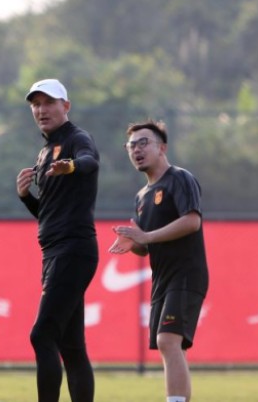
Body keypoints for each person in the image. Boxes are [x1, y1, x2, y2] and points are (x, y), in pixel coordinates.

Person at [109, 120, 209, 402]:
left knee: (168, 341)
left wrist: (147, 236)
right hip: (162, 280)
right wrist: (135, 243)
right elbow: (145, 245)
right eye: (131, 145)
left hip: (186, 274)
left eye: (144, 143)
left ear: (162, 148)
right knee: (171, 345)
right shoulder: (141, 196)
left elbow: (192, 222)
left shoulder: (179, 178)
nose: (136, 150)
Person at [15, 79, 99, 402]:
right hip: (55, 252)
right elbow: (48, 213)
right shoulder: (44, 152)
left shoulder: (78, 139)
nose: (41, 109)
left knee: (42, 335)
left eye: (48, 102)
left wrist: (73, 165)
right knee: (71, 346)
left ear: (66, 106)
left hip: (73, 250)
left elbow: (91, 163)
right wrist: (25, 197)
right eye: (35, 104)